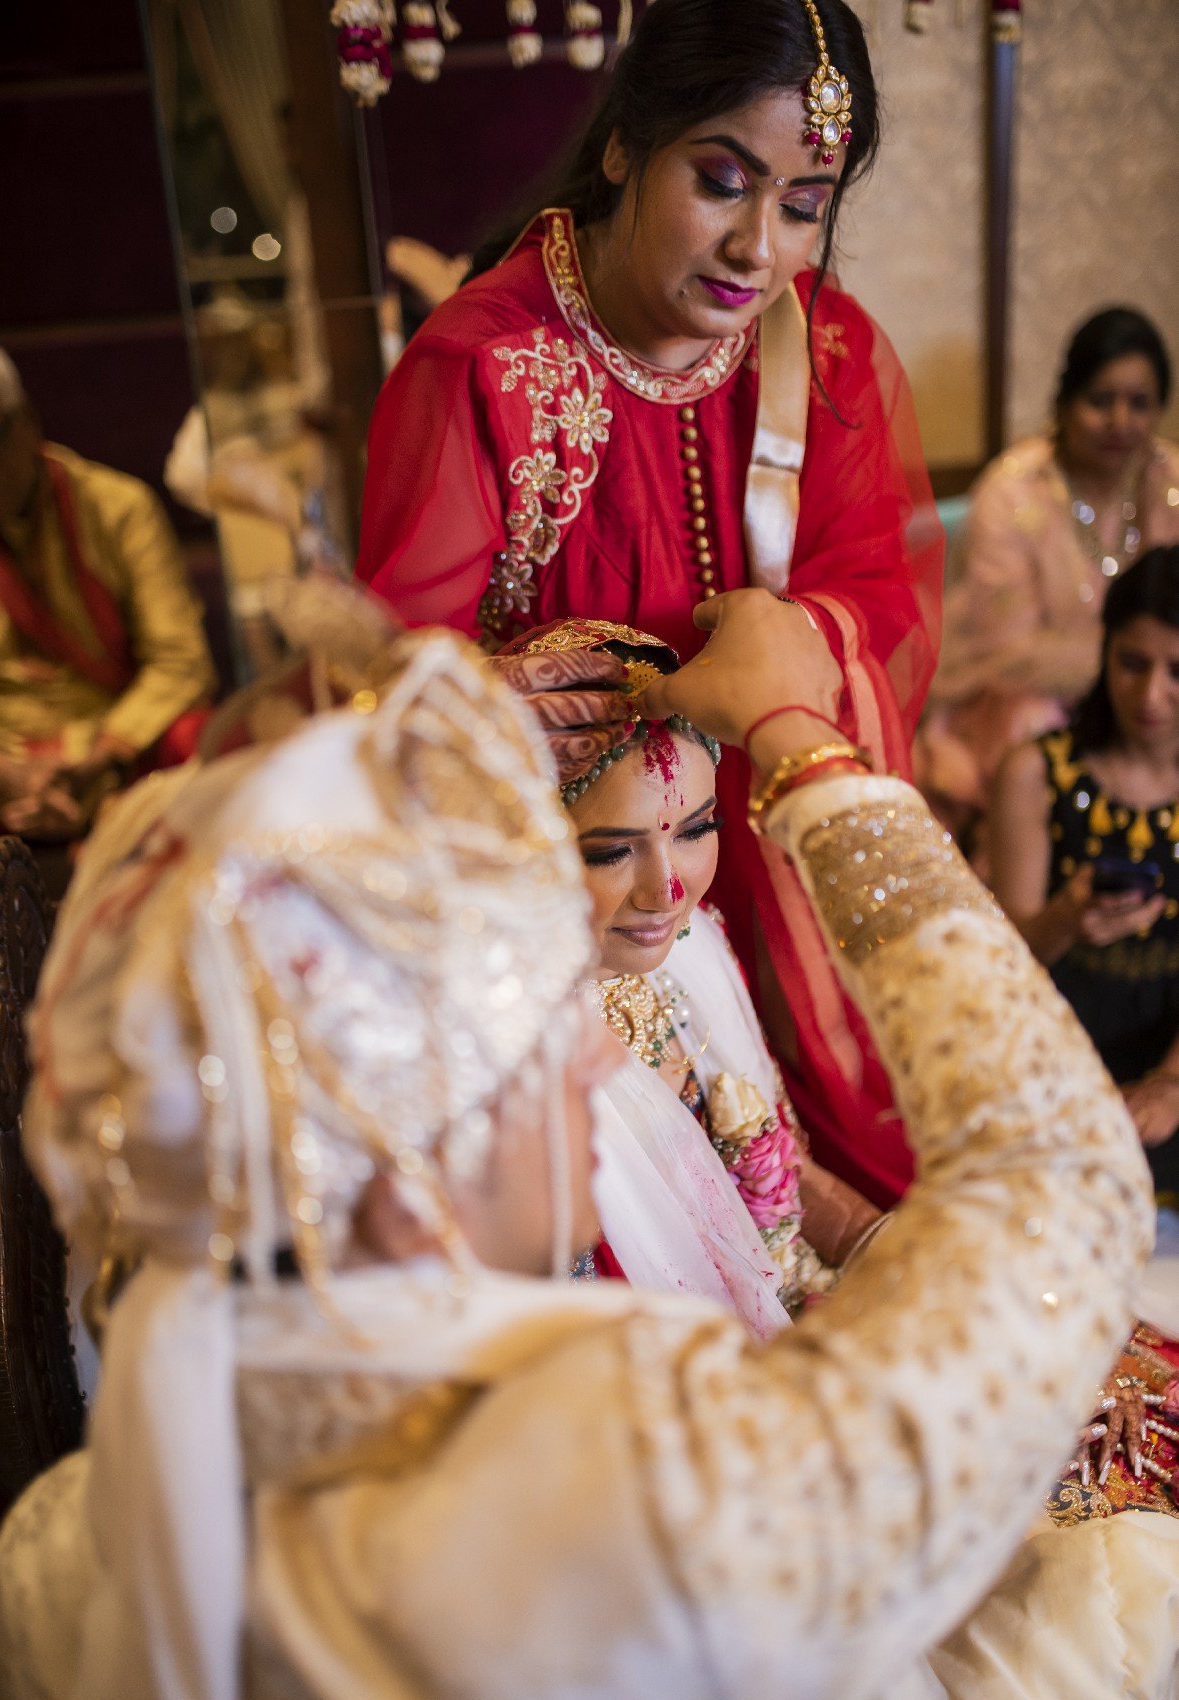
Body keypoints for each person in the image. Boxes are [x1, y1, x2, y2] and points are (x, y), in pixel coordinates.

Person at [0, 591, 1155, 1700]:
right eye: (539, 1045)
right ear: (400, 1198)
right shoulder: (658, 1486)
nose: (599, 1057)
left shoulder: (60, 1555)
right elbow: (1062, 1180)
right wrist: (805, 740)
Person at [355, 0, 943, 1207]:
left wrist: (800, 640)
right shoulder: (489, 368)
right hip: (567, 906)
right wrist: (493, 705)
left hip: (771, 854)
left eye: (801, 203)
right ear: (625, 142)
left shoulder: (820, 357)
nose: (757, 251)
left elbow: (880, 596)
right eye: (722, 181)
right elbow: (385, 689)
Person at [498, 618, 883, 1325]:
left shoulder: (694, 949)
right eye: (611, 852)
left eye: (696, 830)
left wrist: (887, 1247)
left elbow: (778, 1173)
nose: (668, 893)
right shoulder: (511, 1065)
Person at [922, 308, 1179, 846]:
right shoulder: (1014, 494)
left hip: (1147, 680)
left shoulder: (1169, 481)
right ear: (1064, 403)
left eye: (1140, 403)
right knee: (1033, 727)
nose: (1120, 422)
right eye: (1100, 400)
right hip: (1014, 695)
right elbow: (1013, 655)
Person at [990, 546, 1179, 1197]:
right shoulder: (1037, 773)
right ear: (1103, 653)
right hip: (1058, 1051)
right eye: (1131, 663)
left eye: (1175, 670)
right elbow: (1002, 967)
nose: (1149, 693)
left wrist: (1169, 1084)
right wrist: (1064, 920)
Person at [0, 337, 215, 840]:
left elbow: (183, 663)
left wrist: (100, 760)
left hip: (118, 751)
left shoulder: (118, 507)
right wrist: (9, 774)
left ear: (26, 423)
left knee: (196, 738)